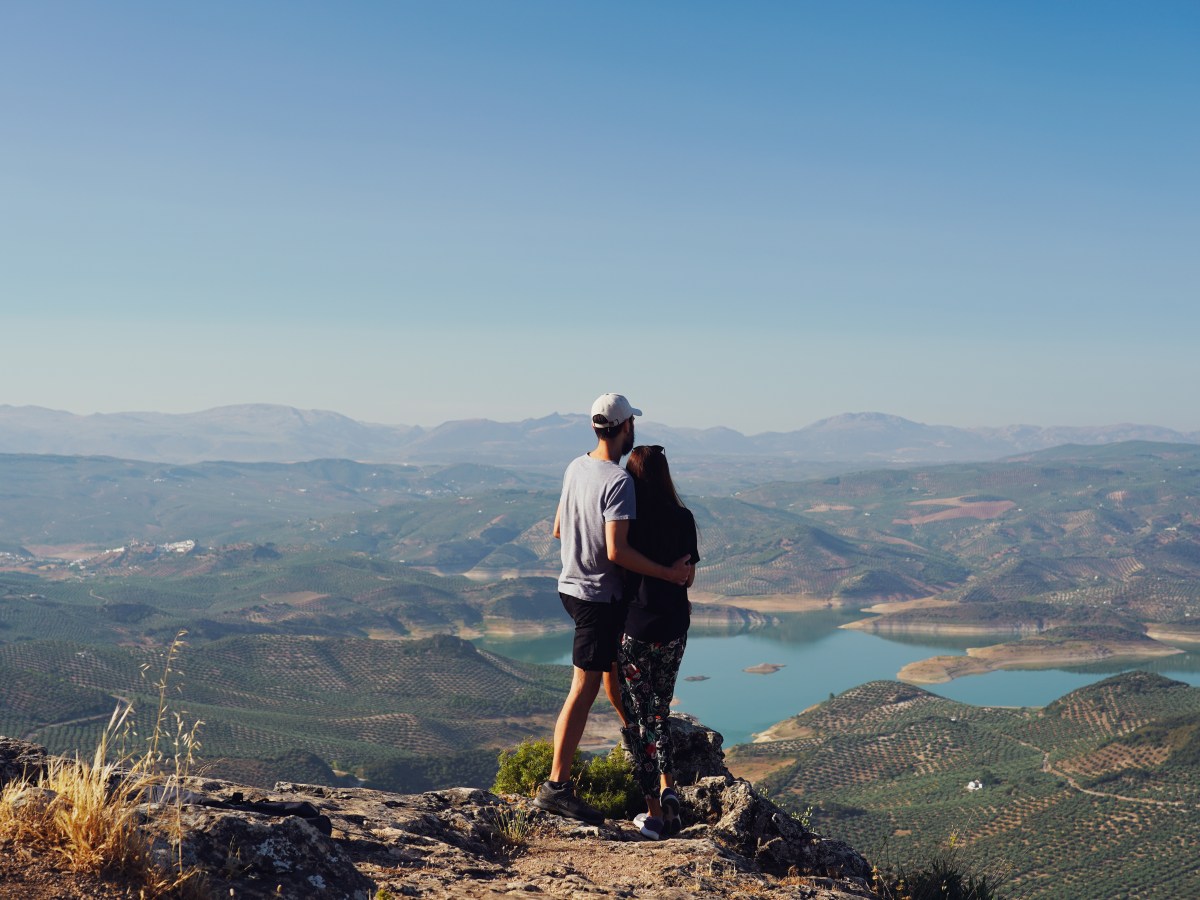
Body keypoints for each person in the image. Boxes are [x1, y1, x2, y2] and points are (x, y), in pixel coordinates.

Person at [533, 394, 693, 825]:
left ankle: (648, 770)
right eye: (631, 425)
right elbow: (617, 551)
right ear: (625, 428)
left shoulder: (575, 466)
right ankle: (556, 787)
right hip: (597, 597)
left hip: (570, 587)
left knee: (613, 685)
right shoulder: (618, 481)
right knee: (583, 689)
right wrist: (666, 572)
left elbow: (558, 528)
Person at [617, 444, 699, 840]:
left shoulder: (627, 522)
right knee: (661, 713)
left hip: (636, 630)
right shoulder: (683, 518)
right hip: (673, 629)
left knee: (640, 722)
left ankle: (653, 815)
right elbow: (688, 577)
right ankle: (669, 790)